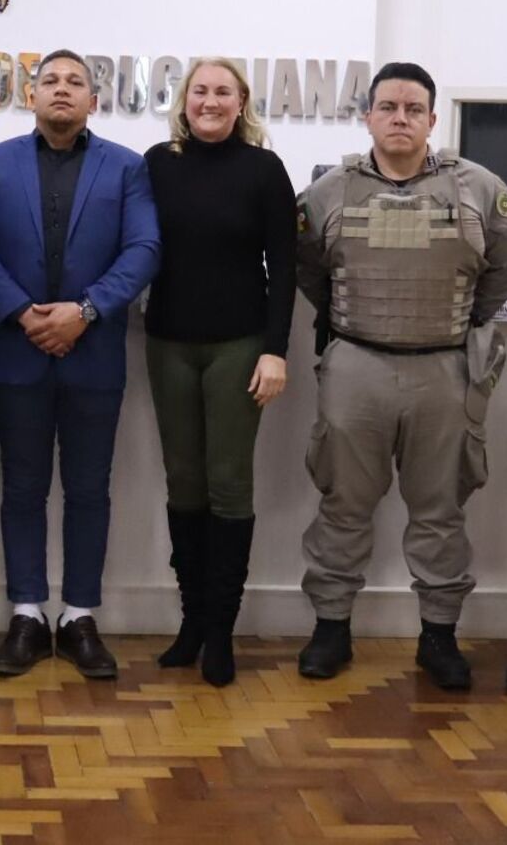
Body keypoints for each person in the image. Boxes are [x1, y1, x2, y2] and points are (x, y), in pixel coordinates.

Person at [294, 62, 507, 690]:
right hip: (355, 365)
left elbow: (502, 271)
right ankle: (332, 627)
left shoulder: (477, 188)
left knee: (441, 509)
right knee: (343, 503)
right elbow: (308, 269)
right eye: (388, 106)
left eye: (413, 108)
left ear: (431, 119)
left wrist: (459, 324)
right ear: (367, 116)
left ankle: (439, 636)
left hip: (444, 370)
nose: (400, 118)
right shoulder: (327, 192)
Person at [0, 49, 160, 679]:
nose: (62, 89)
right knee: (21, 488)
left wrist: (86, 311)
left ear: (92, 101)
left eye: (76, 82)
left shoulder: (127, 168)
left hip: (93, 353)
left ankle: (78, 615)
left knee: (88, 491)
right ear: (31, 94)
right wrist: (26, 314)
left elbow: (143, 248)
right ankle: (27, 613)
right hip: (15, 351)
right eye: (50, 80)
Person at [143, 57, 296, 686]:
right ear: (184, 100)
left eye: (222, 92)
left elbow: (285, 269)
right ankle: (192, 623)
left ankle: (222, 633)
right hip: (168, 343)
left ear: (242, 103)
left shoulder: (264, 170)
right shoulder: (156, 163)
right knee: (184, 484)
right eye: (200, 90)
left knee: (229, 484)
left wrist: (275, 350)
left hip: (239, 344)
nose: (210, 101)